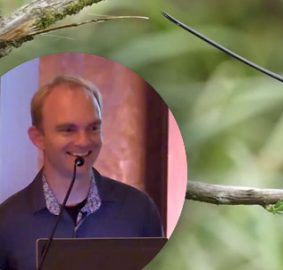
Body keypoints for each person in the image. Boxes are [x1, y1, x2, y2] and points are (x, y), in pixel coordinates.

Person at [0, 75, 164, 270]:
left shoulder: (139, 210)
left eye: (93, 128)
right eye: (68, 130)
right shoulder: (7, 221)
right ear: (38, 138)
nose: (84, 141)